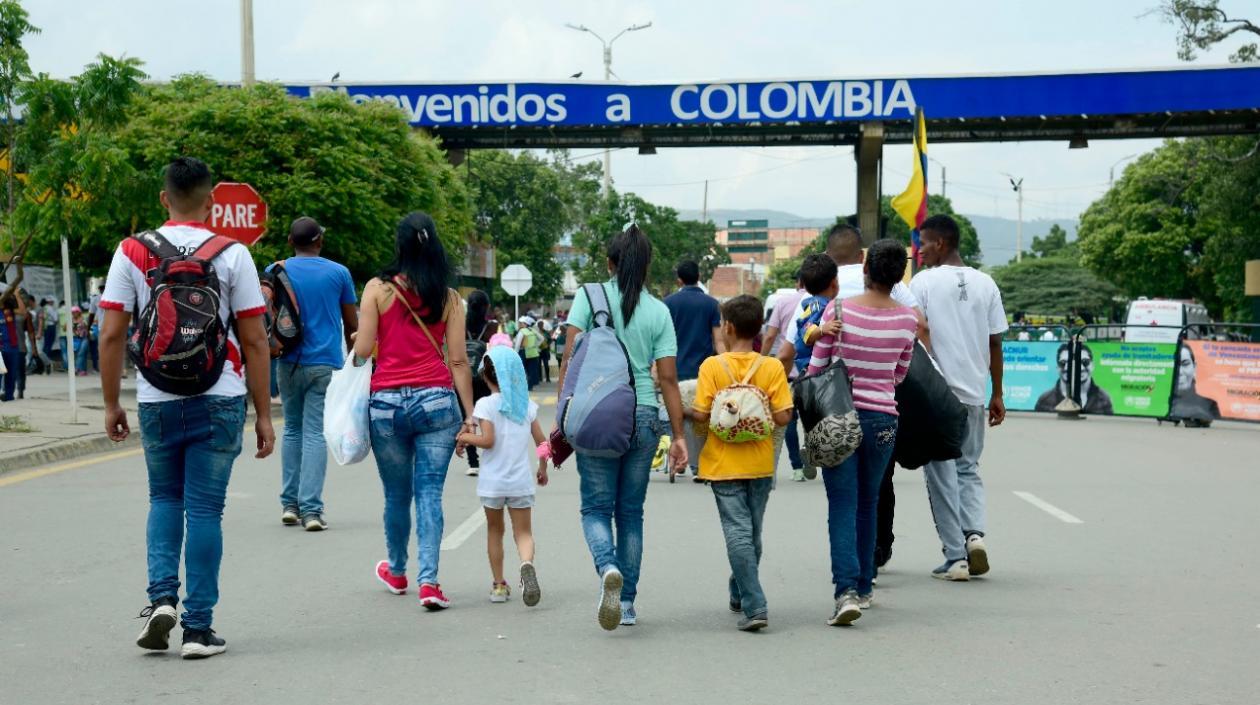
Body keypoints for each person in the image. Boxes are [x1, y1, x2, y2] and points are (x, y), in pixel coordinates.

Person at [99, 156, 275, 659]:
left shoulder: (132, 250)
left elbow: (112, 332)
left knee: (164, 500)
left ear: (163, 199)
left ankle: (161, 600)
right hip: (219, 395)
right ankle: (198, 629)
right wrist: (262, 414)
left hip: (156, 397)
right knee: (204, 510)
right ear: (211, 201)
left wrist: (112, 402)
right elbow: (256, 340)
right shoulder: (234, 254)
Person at [558, 224, 688, 631]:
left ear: (609, 263)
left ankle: (607, 567)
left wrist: (565, 417)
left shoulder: (588, 296)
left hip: (596, 413)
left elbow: (569, 360)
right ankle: (627, 602)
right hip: (645, 415)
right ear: (646, 266)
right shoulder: (659, 311)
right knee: (630, 513)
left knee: (595, 508)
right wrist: (680, 436)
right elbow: (668, 378)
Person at [354, 211, 474, 611]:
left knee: (396, 494)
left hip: (386, 404)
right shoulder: (450, 297)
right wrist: (469, 413)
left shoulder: (376, 289)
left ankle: (398, 570)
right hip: (437, 402)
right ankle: (430, 583)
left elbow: (364, 350)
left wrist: (360, 339)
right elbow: (458, 361)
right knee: (429, 494)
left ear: (399, 244)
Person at [805, 239, 918, 624]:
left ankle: (846, 591)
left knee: (842, 503)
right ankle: (866, 586)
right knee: (869, 501)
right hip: (884, 418)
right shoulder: (908, 320)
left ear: (866, 270)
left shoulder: (839, 310)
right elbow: (900, 373)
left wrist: (822, 338)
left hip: (840, 415)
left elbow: (817, 368)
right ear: (899, 276)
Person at [909, 214, 1008, 581]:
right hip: (973, 394)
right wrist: (996, 393)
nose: (918, 251)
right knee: (968, 467)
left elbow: (918, 328)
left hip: (938, 395)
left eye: (924, 243)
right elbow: (996, 341)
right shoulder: (987, 283)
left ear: (942, 243)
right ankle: (975, 534)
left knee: (940, 472)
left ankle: (955, 556)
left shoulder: (924, 283)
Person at [688, 294, 793, 631]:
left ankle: (754, 604)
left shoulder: (712, 367)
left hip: (722, 463)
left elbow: (703, 415)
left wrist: (685, 411)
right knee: (753, 532)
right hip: (760, 463)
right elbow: (783, 416)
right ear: (758, 328)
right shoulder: (772, 366)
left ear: (728, 326)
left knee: (738, 532)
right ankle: (740, 591)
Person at [274, 216, 359, 531]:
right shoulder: (339, 273)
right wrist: (357, 363)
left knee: (292, 430)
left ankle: (289, 505)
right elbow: (352, 324)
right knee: (313, 433)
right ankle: (311, 510)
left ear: (290, 241)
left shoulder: (276, 271)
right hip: (324, 363)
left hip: (286, 360)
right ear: (320, 241)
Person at [455, 342, 549, 606]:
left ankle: (498, 585)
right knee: (524, 533)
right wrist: (542, 469)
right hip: (520, 482)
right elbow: (543, 443)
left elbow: (487, 441)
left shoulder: (485, 404)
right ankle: (526, 564)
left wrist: (464, 436)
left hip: (493, 483)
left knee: (495, 532)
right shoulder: (526, 406)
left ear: (485, 376)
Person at [774, 253, 838, 481]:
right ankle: (812, 450)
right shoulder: (815, 304)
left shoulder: (816, 302)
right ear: (835, 283)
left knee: (816, 417)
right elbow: (807, 331)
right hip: (814, 371)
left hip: (809, 372)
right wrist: (822, 330)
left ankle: (811, 449)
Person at [664, 260, 726, 481]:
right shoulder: (711, 304)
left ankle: (679, 459)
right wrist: (726, 364)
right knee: (702, 417)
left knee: (677, 414)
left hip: (674, 369)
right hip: (704, 371)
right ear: (698, 276)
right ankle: (699, 463)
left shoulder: (668, 303)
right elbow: (718, 339)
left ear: (679, 280)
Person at [763, 271, 806, 478]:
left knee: (788, 419)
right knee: (813, 417)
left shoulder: (782, 302)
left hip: (787, 371)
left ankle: (796, 467)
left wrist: (761, 360)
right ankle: (811, 453)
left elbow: (770, 335)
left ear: (798, 282)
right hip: (813, 372)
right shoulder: (824, 303)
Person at [463, 289, 499, 475]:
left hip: (464, 378)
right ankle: (490, 458)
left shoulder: (460, 327)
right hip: (486, 378)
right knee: (488, 416)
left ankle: (473, 462)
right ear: (486, 307)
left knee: (468, 417)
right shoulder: (493, 327)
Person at [1034, 343, 1113, 415]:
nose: (1080, 367)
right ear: (1057, 368)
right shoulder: (1044, 400)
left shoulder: (1103, 398)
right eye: (1063, 363)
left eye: (1085, 362)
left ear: (1092, 365)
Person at [1170, 344, 1220, 425]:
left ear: (1194, 367)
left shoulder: (1208, 397)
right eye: (1175, 365)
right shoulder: (1160, 394)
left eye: (1185, 364)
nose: (1179, 372)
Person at [0, 293, 25, 401]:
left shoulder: (10, 310)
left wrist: (17, 295)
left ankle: (9, 396)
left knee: (12, 373)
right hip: (0, 347)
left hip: (12, 346)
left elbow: (23, 312)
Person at [514, 315, 542, 390]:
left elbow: (517, 344)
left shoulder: (522, 331)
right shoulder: (533, 330)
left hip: (524, 353)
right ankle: (530, 386)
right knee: (532, 370)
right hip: (534, 353)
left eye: (521, 323)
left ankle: (522, 386)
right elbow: (542, 339)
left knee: (522, 370)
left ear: (525, 324)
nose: (520, 324)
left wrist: (515, 353)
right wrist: (536, 346)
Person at [537, 319, 553, 384]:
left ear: (543, 325)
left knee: (546, 364)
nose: (541, 326)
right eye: (539, 325)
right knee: (539, 364)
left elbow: (550, 340)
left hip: (545, 350)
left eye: (541, 325)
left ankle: (548, 378)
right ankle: (540, 378)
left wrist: (547, 344)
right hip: (539, 350)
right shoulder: (536, 332)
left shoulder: (546, 332)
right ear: (538, 326)